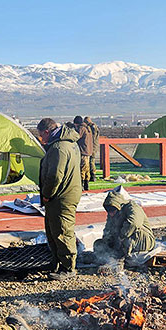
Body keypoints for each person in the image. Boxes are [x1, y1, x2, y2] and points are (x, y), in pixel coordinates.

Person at [37, 118, 82, 280]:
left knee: (63, 230)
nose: (41, 139)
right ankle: (57, 261)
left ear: (47, 132)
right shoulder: (69, 143)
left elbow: (55, 175)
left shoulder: (59, 147)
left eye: (41, 135)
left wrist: (47, 194)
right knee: (54, 228)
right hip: (66, 193)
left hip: (61, 196)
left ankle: (68, 267)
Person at [93, 190, 155, 264]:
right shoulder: (112, 214)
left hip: (142, 239)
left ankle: (122, 258)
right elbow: (108, 229)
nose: (110, 212)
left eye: (112, 210)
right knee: (99, 244)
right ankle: (112, 257)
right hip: (122, 241)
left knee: (127, 240)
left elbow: (134, 223)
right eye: (108, 210)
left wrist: (121, 237)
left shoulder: (133, 208)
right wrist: (107, 241)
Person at [73, 116, 93, 191]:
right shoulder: (88, 128)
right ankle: (86, 184)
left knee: (82, 168)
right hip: (88, 151)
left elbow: (76, 137)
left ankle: (81, 184)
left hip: (83, 151)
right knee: (87, 168)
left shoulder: (81, 128)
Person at [84, 117, 100, 182]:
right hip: (93, 146)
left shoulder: (92, 128)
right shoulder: (94, 127)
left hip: (92, 146)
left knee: (91, 161)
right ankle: (92, 175)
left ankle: (93, 175)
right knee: (91, 161)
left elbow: (92, 137)